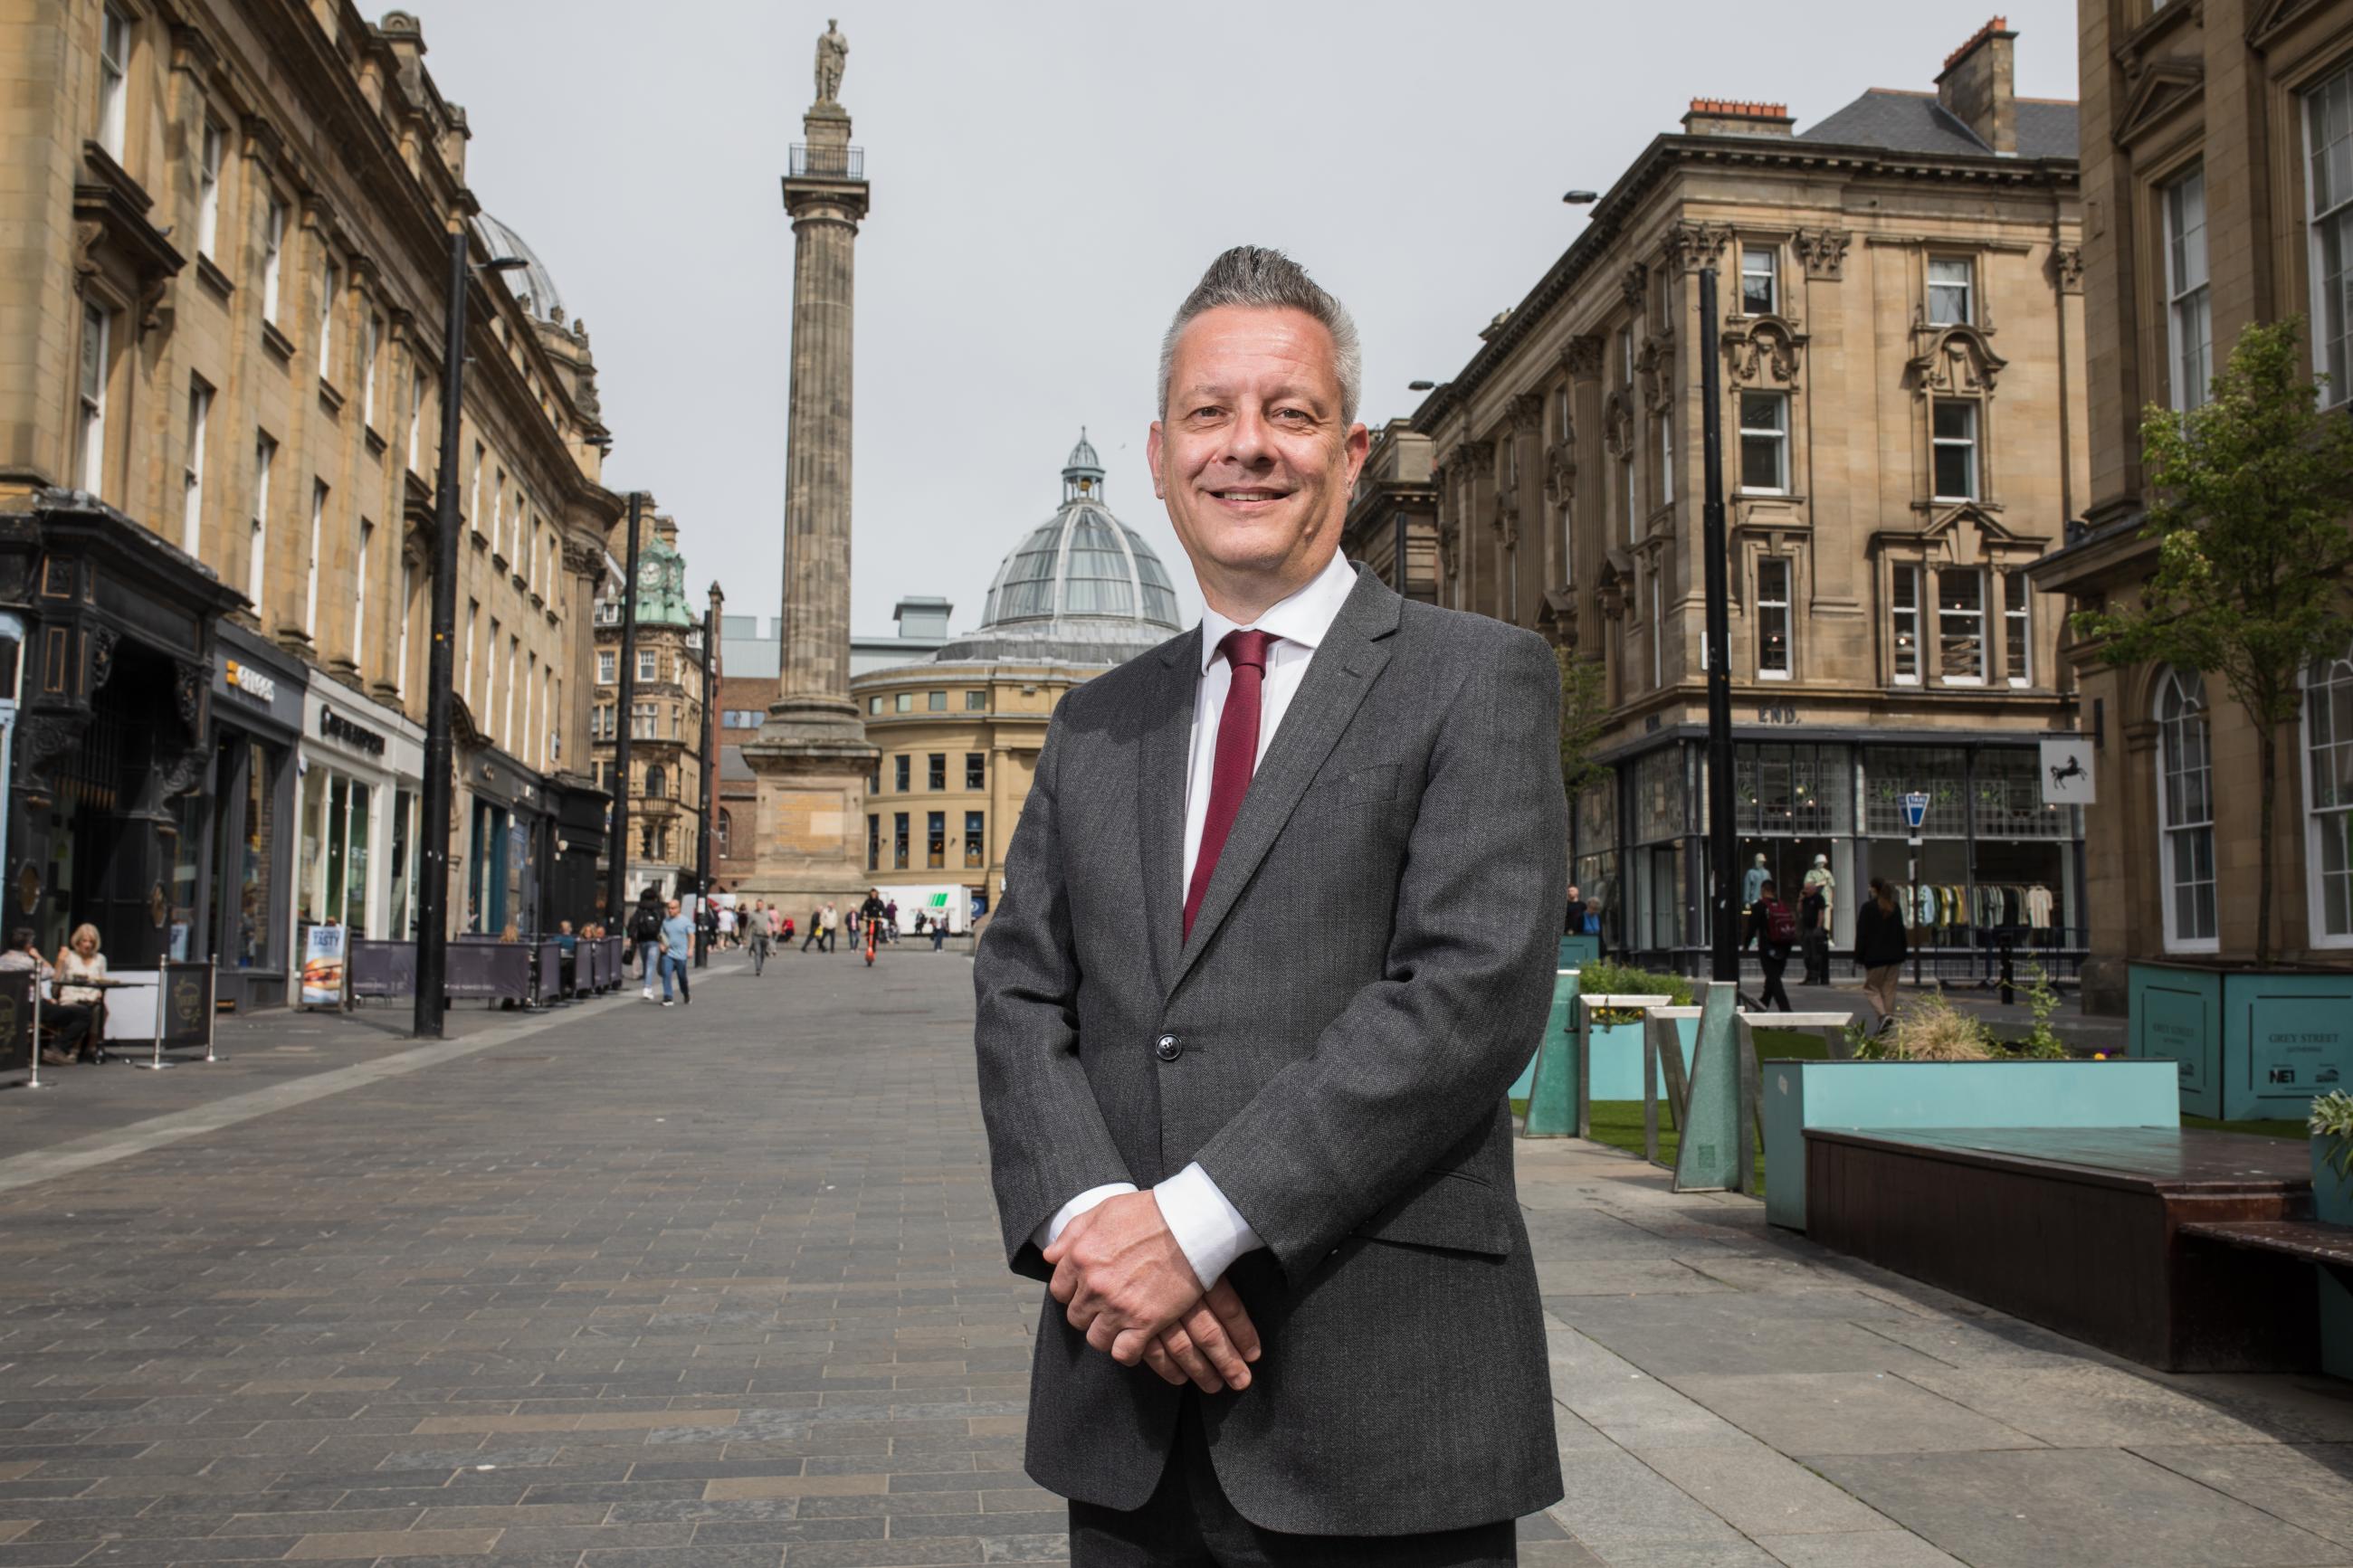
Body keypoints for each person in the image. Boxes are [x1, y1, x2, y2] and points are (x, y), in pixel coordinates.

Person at [975, 247, 1565, 1563]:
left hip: (1383, 1409)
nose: (1248, 448)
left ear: (1349, 452)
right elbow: (1020, 990)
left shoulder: (1477, 680)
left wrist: (1193, 1227)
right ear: (1158, 451)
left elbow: (1468, 995)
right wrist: (1099, 1236)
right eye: (1210, 414)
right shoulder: (1095, 722)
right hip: (1126, 1400)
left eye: (1288, 414)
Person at [0, 927, 89, 1064]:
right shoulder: (29, 963)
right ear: (28, 945)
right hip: (31, 1007)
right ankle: (58, 1048)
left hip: (7, 1007)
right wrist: (37, 956)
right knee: (82, 1014)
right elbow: (51, 973)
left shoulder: (2, 961)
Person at [1854, 877, 1910, 1031]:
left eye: (1870, 888)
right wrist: (1903, 952)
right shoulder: (1895, 907)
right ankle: (1888, 1017)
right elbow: (1901, 932)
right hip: (1894, 956)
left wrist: (1859, 955)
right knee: (1889, 989)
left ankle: (1883, 1015)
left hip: (1875, 957)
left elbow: (1862, 934)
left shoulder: (1868, 908)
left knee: (1871, 988)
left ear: (1875, 890)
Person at [55, 923, 109, 1062]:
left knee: (101, 1010)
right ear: (78, 941)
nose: (88, 945)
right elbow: (56, 981)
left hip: (91, 998)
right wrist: (60, 961)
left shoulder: (100, 959)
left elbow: (102, 981)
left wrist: (100, 994)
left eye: (91, 941)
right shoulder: (69, 956)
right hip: (72, 998)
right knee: (82, 1012)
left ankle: (91, 1047)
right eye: (84, 941)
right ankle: (75, 1049)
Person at [1743, 878, 1797, 1012]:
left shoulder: (1760, 906)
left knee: (1774, 981)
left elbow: (1752, 928)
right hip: (1785, 947)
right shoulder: (1782, 905)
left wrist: (1746, 945)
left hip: (1768, 948)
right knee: (1772, 982)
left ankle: (1787, 1013)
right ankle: (1760, 1011)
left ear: (1763, 890)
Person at [1801, 853, 1836, 985]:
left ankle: (1827, 936)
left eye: (1823, 863)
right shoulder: (1811, 873)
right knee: (1811, 952)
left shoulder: (1827, 873)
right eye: (1819, 863)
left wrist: (1831, 900)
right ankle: (1813, 976)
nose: (1821, 865)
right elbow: (1807, 884)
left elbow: (1831, 887)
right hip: (1816, 907)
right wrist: (1819, 883)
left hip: (1825, 900)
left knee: (1827, 921)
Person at [628, 890, 664, 1000]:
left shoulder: (640, 909)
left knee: (645, 963)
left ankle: (646, 986)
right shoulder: (659, 909)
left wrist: (630, 936)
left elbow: (633, 923)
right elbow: (663, 923)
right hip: (654, 939)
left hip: (642, 940)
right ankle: (647, 988)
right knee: (651, 964)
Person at [658, 897, 693, 1007]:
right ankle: (668, 997)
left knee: (682, 977)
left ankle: (686, 993)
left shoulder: (685, 921)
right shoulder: (665, 921)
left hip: (681, 954)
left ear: (679, 909)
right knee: (666, 974)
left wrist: (690, 949)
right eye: (669, 908)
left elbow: (691, 936)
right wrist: (661, 944)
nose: (670, 910)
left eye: (673, 908)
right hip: (668, 953)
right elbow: (661, 935)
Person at [554, 919, 578, 997]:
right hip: (570, 965)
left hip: (556, 965)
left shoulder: (556, 939)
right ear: (570, 929)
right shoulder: (574, 941)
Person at [747, 901, 771, 976]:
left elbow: (773, 922)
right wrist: (745, 937)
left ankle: (760, 967)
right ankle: (758, 970)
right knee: (758, 953)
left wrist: (771, 930)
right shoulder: (752, 914)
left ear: (763, 905)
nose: (758, 906)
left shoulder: (767, 913)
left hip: (765, 936)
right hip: (756, 936)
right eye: (757, 905)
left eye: (760, 905)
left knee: (762, 954)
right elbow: (748, 926)